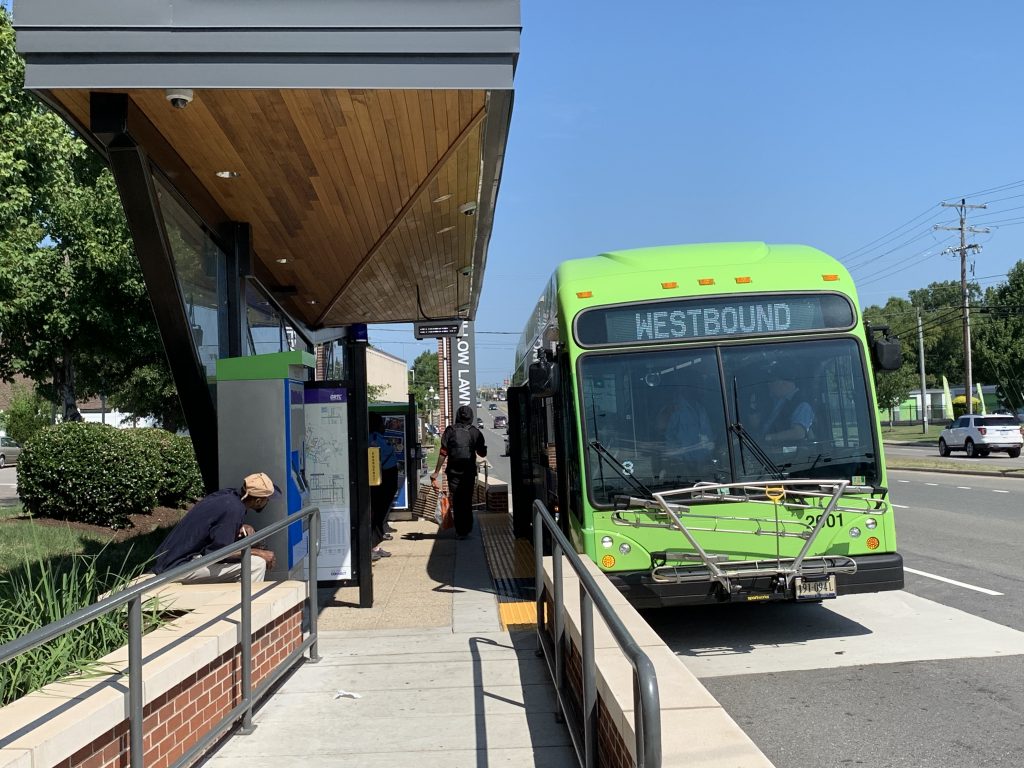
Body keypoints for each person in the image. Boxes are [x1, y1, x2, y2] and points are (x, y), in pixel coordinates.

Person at [151, 472, 279, 583]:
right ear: (258, 501)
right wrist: (260, 553)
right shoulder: (233, 509)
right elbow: (219, 554)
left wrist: (239, 526)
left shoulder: (226, 496)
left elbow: (215, 523)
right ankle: (245, 609)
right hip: (177, 568)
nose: (267, 502)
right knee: (256, 564)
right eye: (266, 499)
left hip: (166, 561)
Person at [431, 405, 487, 539]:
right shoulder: (475, 432)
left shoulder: (450, 430)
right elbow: (482, 453)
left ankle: (459, 530)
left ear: (457, 415)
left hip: (453, 472)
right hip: (468, 472)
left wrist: (436, 471)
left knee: (456, 500)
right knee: (467, 500)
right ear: (471, 417)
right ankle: (466, 529)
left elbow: (443, 453)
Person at [369, 412, 400, 562]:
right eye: (381, 423)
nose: (384, 426)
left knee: (380, 514)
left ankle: (375, 545)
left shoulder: (378, 437)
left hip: (387, 481)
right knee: (376, 513)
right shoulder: (372, 438)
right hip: (380, 482)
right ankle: (371, 546)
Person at [759, 373, 815, 445]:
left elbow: (798, 433)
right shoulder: (779, 400)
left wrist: (769, 437)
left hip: (791, 453)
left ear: (783, 383)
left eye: (771, 382)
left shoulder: (802, 404)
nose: (769, 386)